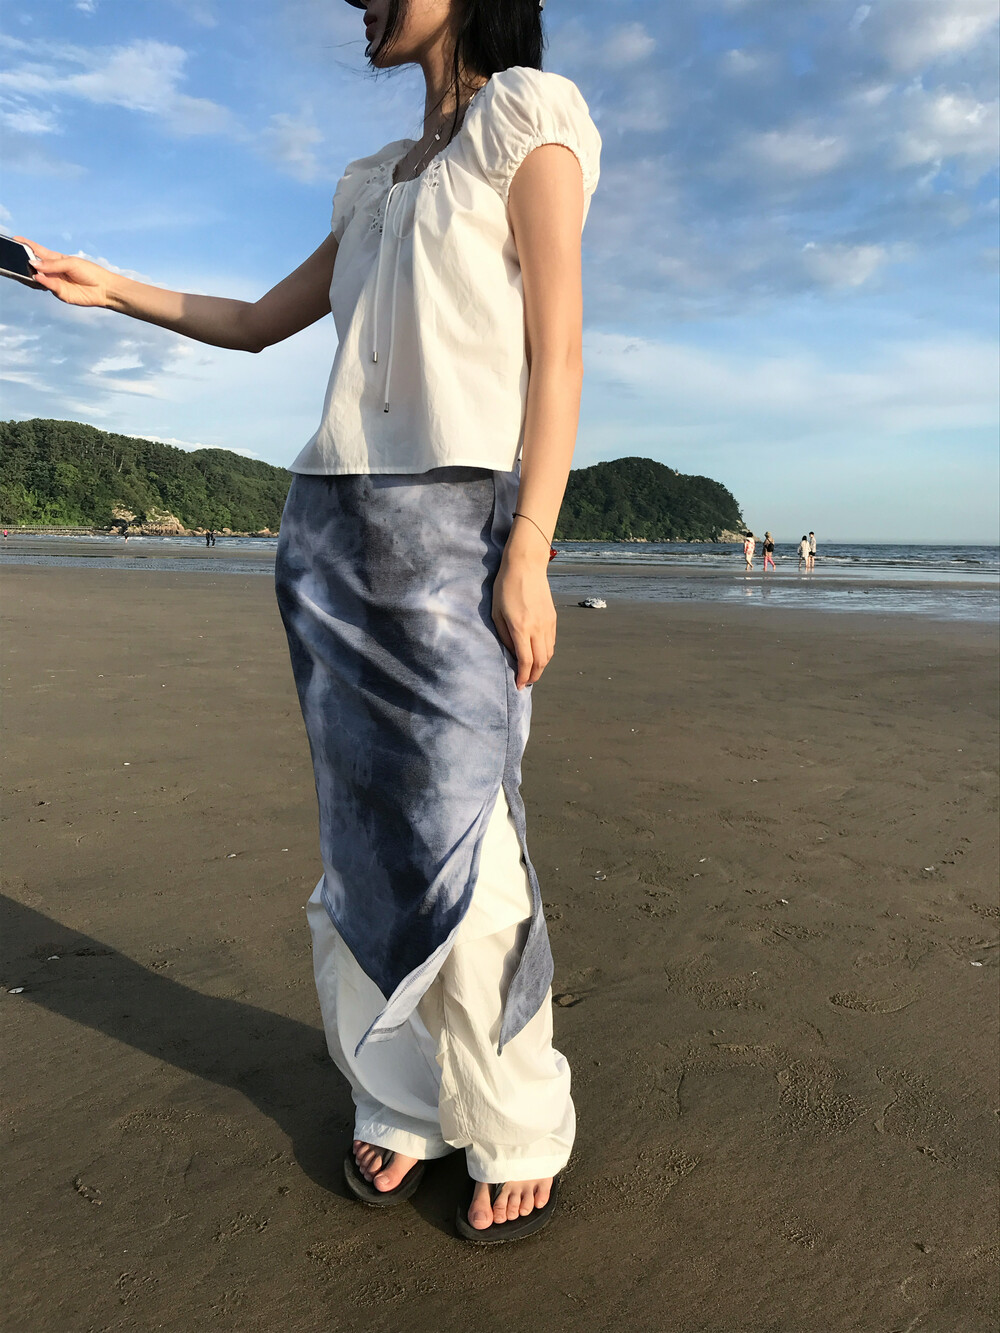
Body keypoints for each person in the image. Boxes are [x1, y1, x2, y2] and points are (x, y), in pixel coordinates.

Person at [20, 0, 599, 1245]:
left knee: (471, 840)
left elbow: (559, 352)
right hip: (331, 534)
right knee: (364, 839)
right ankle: (399, 1098)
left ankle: (515, 1120)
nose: (359, 2)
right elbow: (253, 324)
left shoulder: (526, 118)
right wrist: (105, 287)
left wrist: (530, 550)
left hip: (460, 528)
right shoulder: (370, 180)